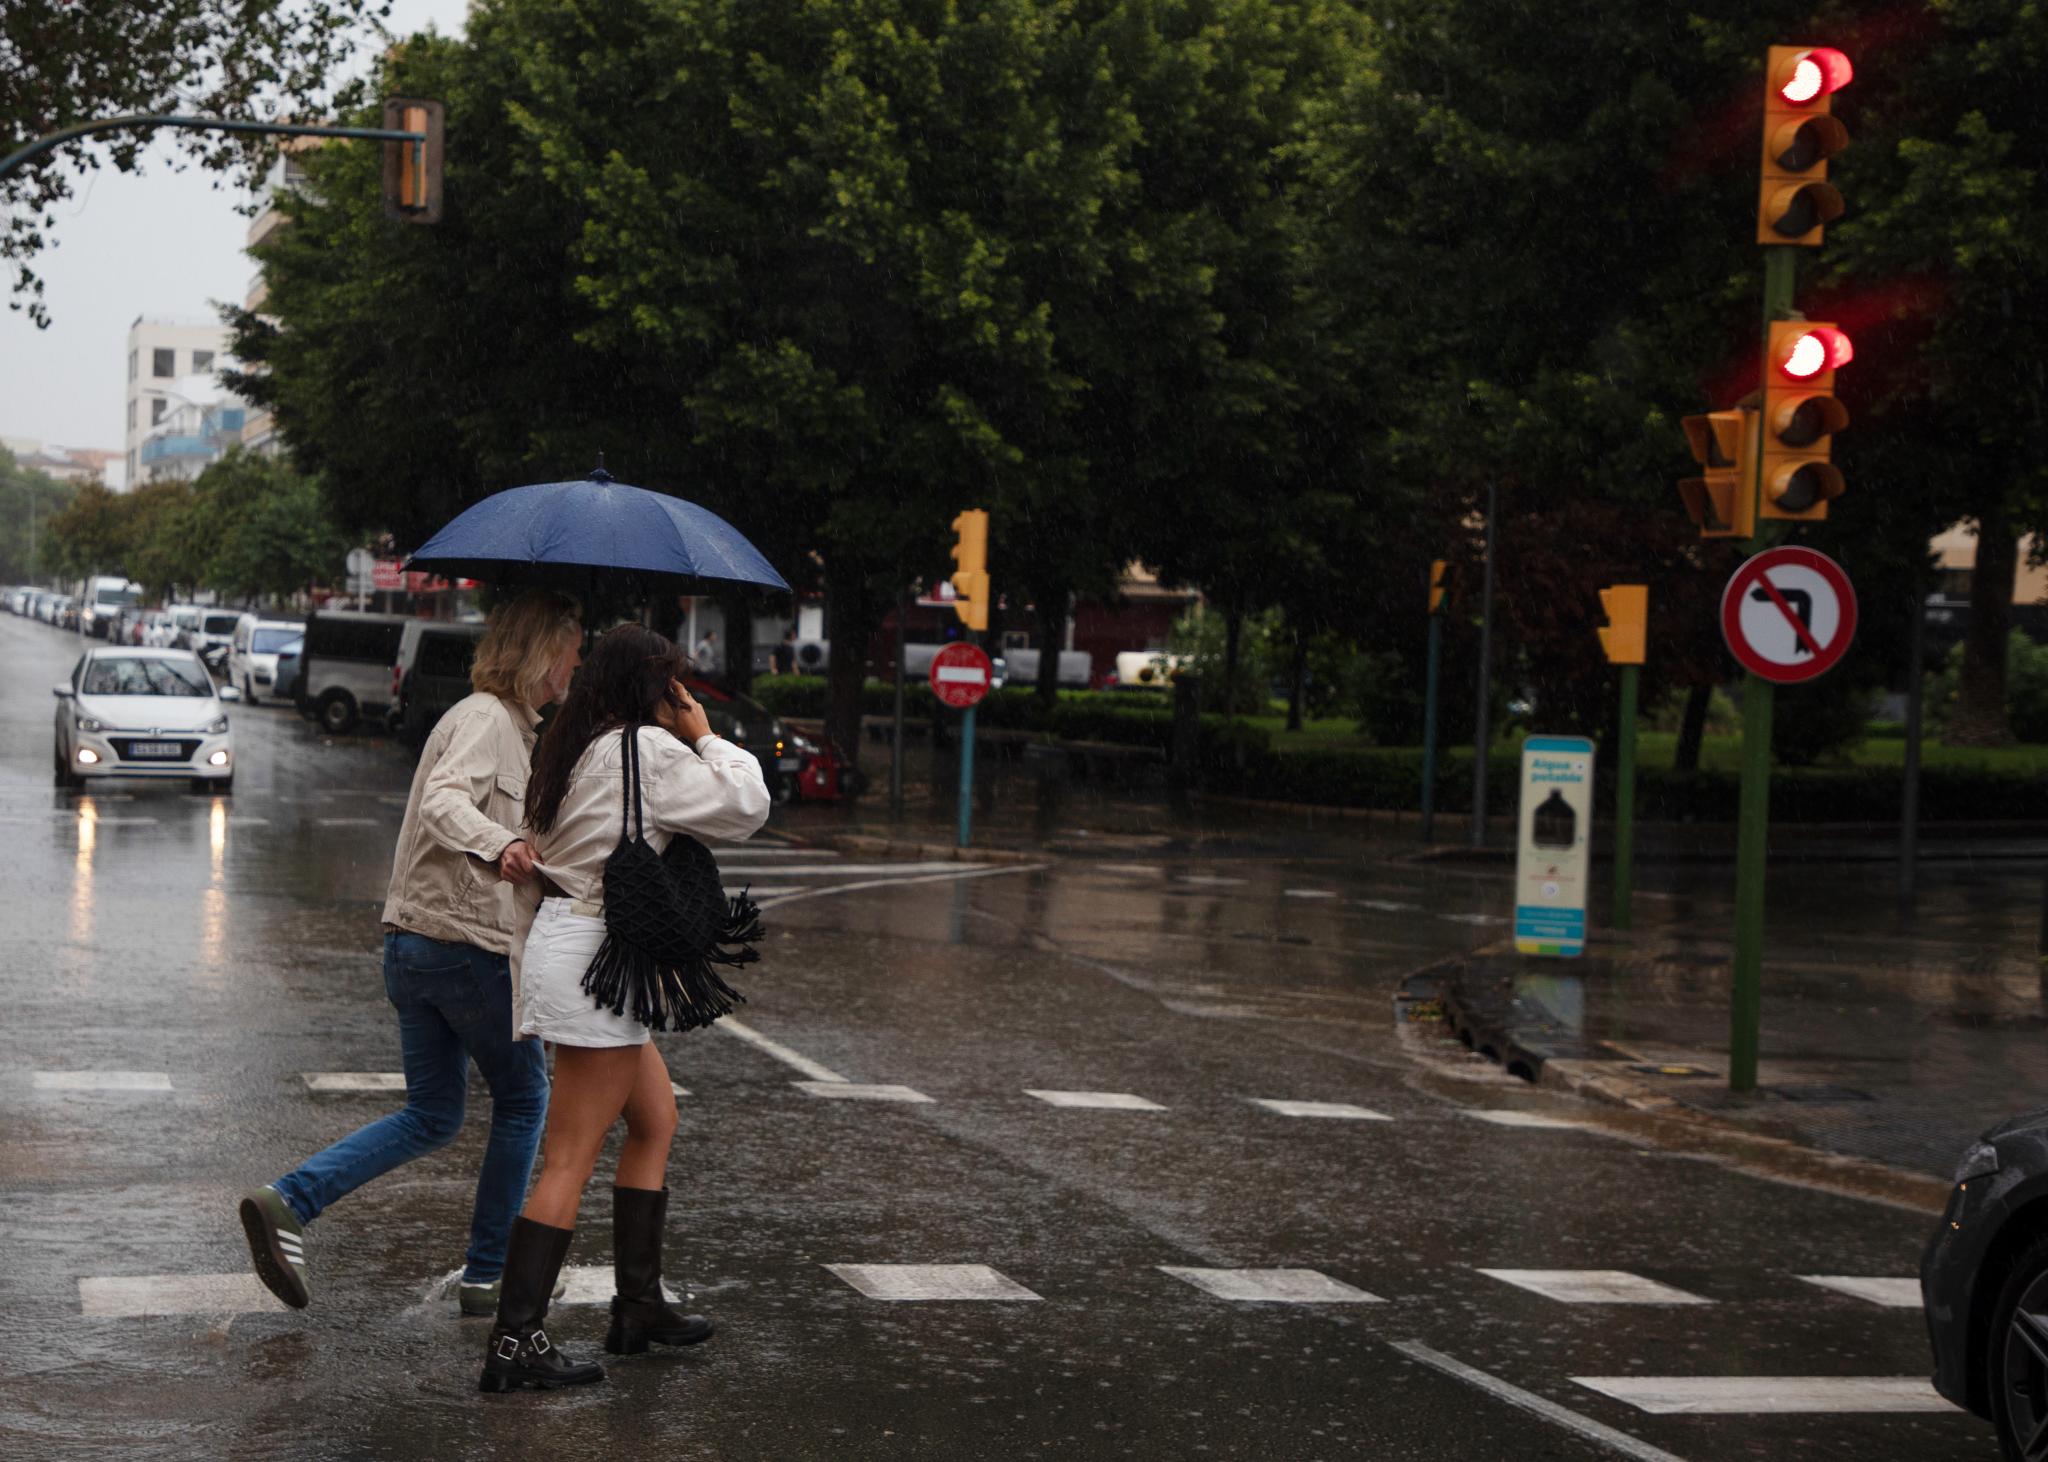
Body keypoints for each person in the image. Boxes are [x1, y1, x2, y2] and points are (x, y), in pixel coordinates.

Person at [238, 591, 584, 1318]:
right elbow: (444, 804)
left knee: (433, 1114)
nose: (577, 664)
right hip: (462, 948)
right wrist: (506, 844)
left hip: (416, 949)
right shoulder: (488, 721)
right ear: (545, 656)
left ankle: (289, 1201)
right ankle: (489, 1275)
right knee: (525, 1099)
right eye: (572, 650)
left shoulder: (503, 726)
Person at [478, 623, 769, 1393]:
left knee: (656, 1119)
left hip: (584, 954)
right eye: (672, 680)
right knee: (570, 1154)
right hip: (598, 963)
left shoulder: (572, 748)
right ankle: (514, 1343)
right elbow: (747, 805)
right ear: (654, 686)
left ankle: (638, 1306)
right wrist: (706, 734)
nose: (682, 694)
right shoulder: (649, 750)